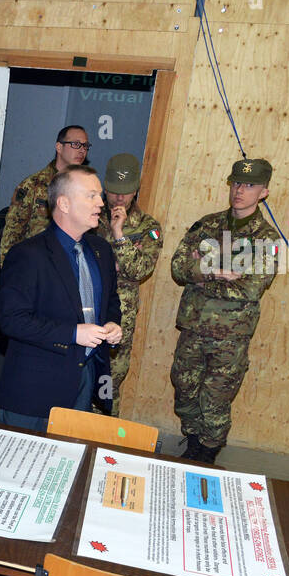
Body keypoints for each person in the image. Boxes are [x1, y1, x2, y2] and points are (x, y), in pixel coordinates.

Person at [169, 158, 280, 463]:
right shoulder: (206, 224)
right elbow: (178, 268)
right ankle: (192, 442)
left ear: (264, 192)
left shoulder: (266, 239)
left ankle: (206, 455)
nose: (239, 190)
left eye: (249, 185)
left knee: (215, 402)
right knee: (184, 390)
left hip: (230, 339)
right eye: (236, 183)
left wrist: (202, 273)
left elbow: (252, 288)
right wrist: (219, 272)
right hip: (193, 329)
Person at [0, 166, 122, 432]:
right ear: (63, 203)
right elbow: (10, 320)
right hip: (35, 390)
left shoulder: (101, 251)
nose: (101, 203)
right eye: (91, 196)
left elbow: (111, 301)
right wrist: (72, 333)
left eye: (99, 195)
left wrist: (111, 324)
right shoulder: (28, 255)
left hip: (85, 380)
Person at [95, 153, 163, 414]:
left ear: (136, 189)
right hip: (84, 307)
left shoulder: (148, 227)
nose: (119, 199)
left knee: (108, 383)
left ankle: (105, 443)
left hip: (119, 316)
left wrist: (119, 236)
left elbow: (139, 270)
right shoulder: (91, 216)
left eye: (125, 192)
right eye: (114, 192)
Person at [0, 125, 91, 262]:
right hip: (36, 266)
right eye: (76, 144)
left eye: (85, 146)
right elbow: (12, 236)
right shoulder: (33, 185)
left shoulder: (86, 188)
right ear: (59, 147)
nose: (82, 150)